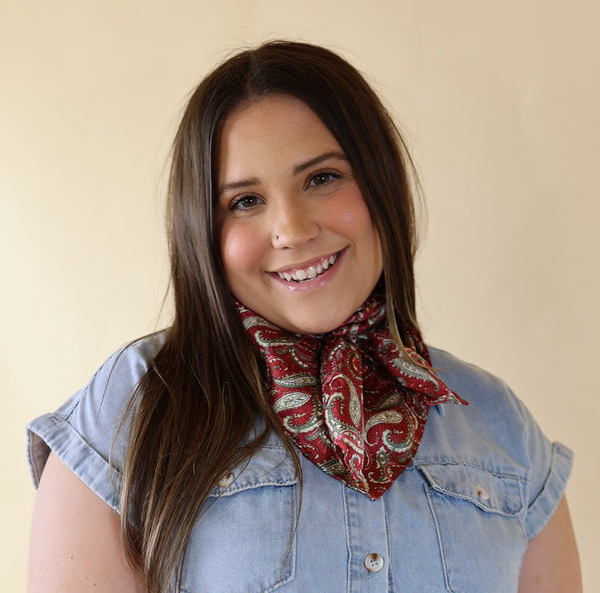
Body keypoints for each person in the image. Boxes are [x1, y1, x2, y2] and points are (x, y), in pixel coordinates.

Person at [26, 41, 582, 592]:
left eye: (322, 178)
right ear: (202, 230)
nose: (292, 229)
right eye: (244, 201)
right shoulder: (132, 410)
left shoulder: (500, 426)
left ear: (380, 182)